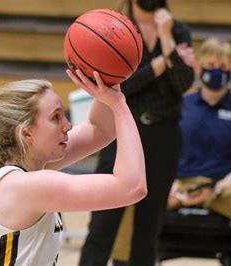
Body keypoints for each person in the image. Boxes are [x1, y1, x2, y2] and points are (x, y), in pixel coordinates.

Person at [0, 69, 147, 265]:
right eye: (56, 118)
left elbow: (99, 129)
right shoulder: (23, 187)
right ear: (26, 134)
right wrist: (119, 105)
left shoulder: (21, 169)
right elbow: (132, 187)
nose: (68, 125)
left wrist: (110, 73)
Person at [79, 0, 195, 265]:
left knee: (149, 227)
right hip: (122, 135)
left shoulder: (177, 31)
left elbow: (184, 82)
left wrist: (166, 37)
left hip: (164, 136)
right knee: (103, 223)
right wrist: (161, 64)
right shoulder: (116, 29)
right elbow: (119, 85)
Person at [167, 38, 231, 266]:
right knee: (133, 195)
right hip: (179, 185)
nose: (216, 71)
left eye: (222, 67)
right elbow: (163, 155)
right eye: (210, 65)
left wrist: (216, 189)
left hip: (222, 188)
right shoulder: (179, 105)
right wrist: (166, 184)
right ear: (199, 67)